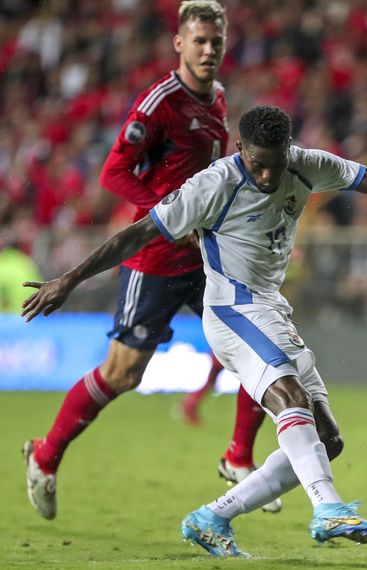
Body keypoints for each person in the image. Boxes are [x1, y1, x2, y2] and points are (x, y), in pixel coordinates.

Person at [21, 105, 367, 554]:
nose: (268, 176)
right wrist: (68, 280)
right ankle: (329, 509)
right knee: (290, 397)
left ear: (288, 149)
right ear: (239, 150)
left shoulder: (307, 164)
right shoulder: (213, 184)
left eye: (276, 164)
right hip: (232, 309)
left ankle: (212, 518)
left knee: (327, 441)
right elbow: (135, 234)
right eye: (257, 164)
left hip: (272, 308)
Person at [22, 0, 280, 521]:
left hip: (205, 251)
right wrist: (169, 213)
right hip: (157, 256)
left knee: (260, 339)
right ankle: (45, 456)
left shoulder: (219, 99)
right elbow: (114, 173)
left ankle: (238, 457)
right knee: (123, 374)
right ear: (179, 45)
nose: (209, 50)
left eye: (216, 41)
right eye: (199, 41)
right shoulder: (159, 103)